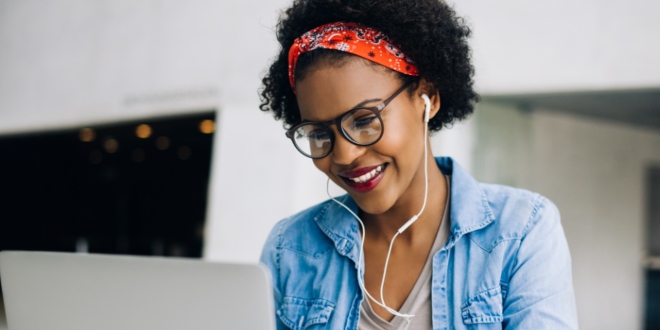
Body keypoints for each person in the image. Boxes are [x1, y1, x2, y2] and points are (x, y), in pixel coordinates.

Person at [258, 0, 578, 329]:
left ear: (428, 99)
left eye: (364, 121)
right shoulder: (290, 247)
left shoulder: (520, 232)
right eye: (319, 134)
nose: (344, 156)